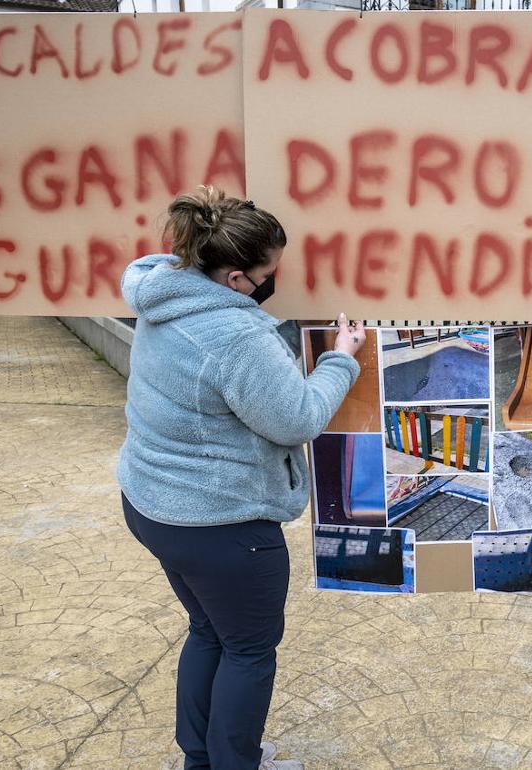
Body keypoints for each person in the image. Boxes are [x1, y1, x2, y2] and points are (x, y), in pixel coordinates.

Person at [117, 186, 365, 770]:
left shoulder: (166, 297)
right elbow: (296, 418)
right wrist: (342, 357)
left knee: (209, 632)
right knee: (250, 651)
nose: (275, 282)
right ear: (234, 279)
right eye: (269, 273)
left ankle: (202, 760)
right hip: (223, 527)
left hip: (153, 506)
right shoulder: (235, 335)